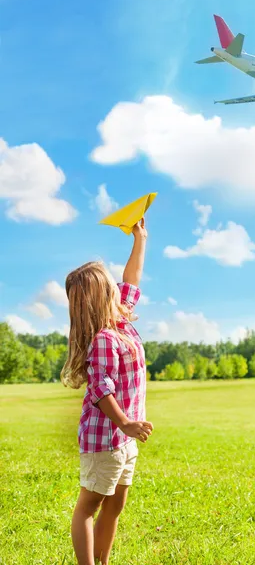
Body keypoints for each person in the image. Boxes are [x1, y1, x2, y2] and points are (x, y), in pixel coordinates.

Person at [61, 218, 153, 565]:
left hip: (125, 439)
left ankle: (103, 561)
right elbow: (101, 389)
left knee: (116, 504)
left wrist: (139, 239)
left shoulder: (122, 321)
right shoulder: (104, 338)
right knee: (90, 504)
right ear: (103, 297)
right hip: (106, 437)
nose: (120, 286)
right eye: (111, 285)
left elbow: (132, 278)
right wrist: (126, 423)